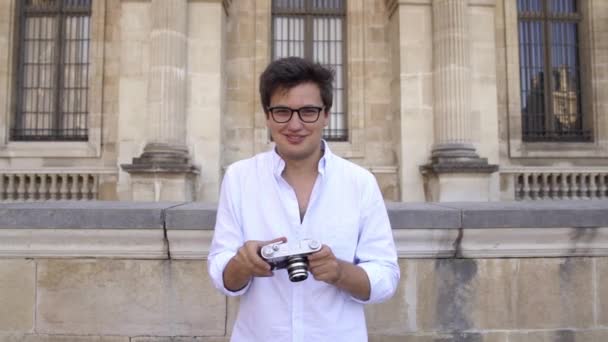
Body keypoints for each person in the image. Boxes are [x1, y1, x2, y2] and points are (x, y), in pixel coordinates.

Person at [208, 57, 399, 342]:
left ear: (326, 115)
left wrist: (339, 272)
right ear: (267, 116)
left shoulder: (359, 183)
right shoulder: (239, 178)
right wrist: (242, 263)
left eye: (308, 111)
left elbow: (386, 276)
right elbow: (221, 272)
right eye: (282, 111)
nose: (295, 124)